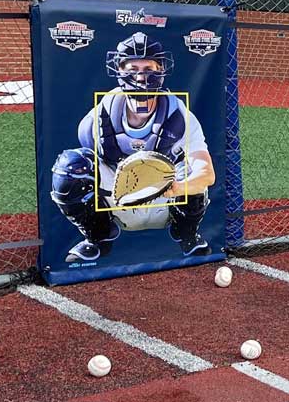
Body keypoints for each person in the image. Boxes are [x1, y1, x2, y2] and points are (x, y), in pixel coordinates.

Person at [50, 32, 215, 263]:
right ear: (119, 72)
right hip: (119, 200)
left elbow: (207, 173)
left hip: (164, 198)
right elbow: (89, 169)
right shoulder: (99, 116)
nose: (140, 78)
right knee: (70, 167)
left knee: (191, 171)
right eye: (132, 69)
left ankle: (186, 234)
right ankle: (98, 236)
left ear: (161, 72)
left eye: (149, 69)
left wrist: (176, 189)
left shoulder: (180, 116)